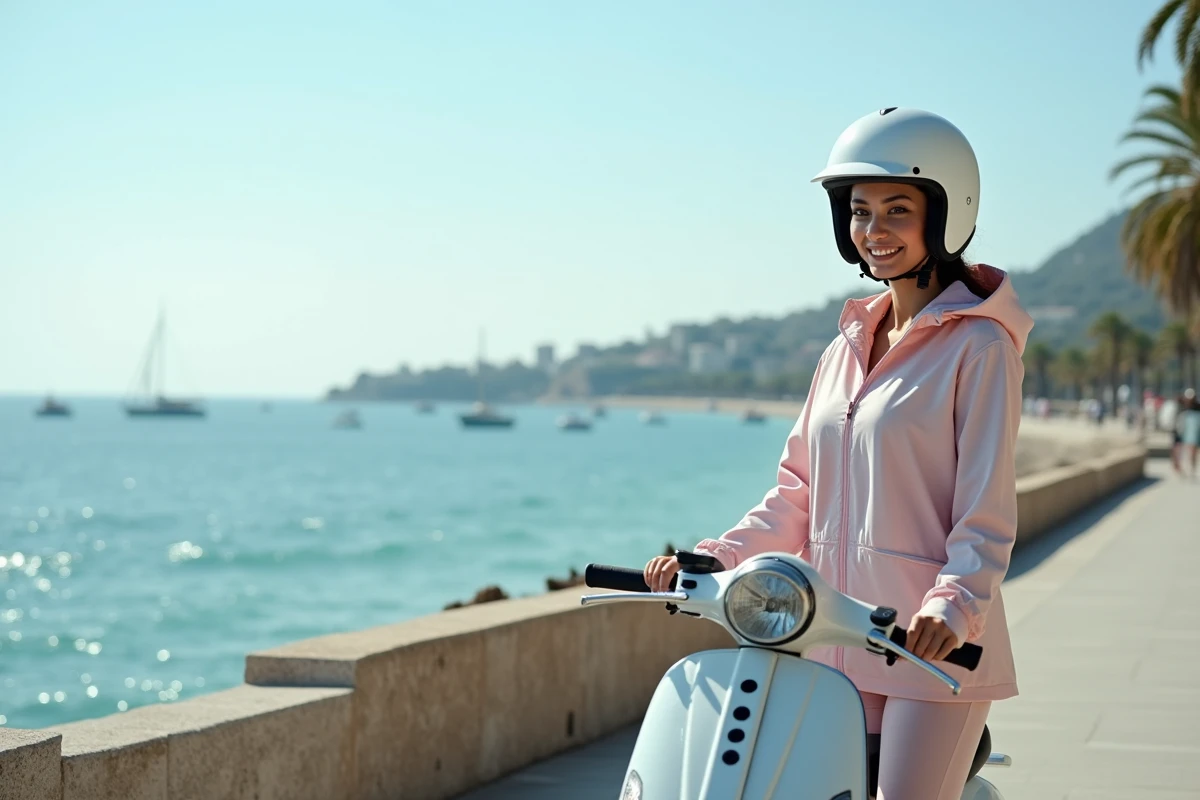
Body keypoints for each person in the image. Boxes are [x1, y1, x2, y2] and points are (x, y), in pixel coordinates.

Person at [644, 108, 1030, 800]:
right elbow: (797, 491)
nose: (873, 232)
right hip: (834, 640)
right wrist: (717, 558)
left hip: (930, 650)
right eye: (859, 212)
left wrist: (952, 608)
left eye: (897, 210)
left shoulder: (981, 348)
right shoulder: (844, 347)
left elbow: (985, 510)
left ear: (945, 214)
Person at [1179, 388, 1200, 477]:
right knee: (1188, 450)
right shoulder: (1183, 406)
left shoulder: (1197, 407)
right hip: (1188, 432)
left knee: (1193, 451)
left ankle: (1192, 468)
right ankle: (1188, 468)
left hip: (1195, 431)